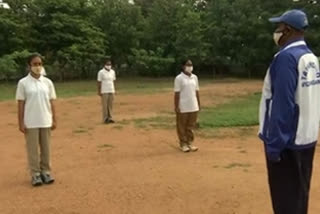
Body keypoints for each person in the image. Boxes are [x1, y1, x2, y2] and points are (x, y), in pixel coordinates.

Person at [259, 9, 320, 214]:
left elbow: (282, 105)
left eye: (279, 27)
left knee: (285, 203)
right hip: (306, 140)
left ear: (288, 30)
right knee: (299, 198)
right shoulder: (310, 58)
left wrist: (274, 146)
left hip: (287, 144)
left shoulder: (285, 58)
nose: (276, 32)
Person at [16, 53, 57, 186]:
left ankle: (46, 171)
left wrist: (54, 118)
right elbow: (21, 103)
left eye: (39, 64)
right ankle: (35, 174)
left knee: (46, 148)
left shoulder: (47, 82)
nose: (38, 67)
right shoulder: (23, 83)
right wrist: (21, 122)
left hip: (45, 119)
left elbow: (52, 101)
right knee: (32, 149)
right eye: (35, 64)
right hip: (31, 121)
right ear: (29, 66)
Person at [174, 59, 200, 152]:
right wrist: (176, 106)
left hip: (193, 105)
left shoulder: (195, 77)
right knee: (182, 125)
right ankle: (183, 143)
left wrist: (198, 104)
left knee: (191, 125)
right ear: (183, 66)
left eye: (191, 65)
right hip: (183, 105)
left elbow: (196, 91)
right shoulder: (179, 78)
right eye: (188, 65)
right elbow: (177, 93)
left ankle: (190, 142)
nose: (190, 67)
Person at [97, 59, 116, 124]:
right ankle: (105, 119)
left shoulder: (112, 72)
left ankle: (110, 118)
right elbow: (99, 82)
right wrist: (99, 91)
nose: (109, 65)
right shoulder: (101, 72)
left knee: (110, 105)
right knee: (105, 105)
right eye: (107, 64)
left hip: (111, 90)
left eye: (110, 64)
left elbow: (113, 81)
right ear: (104, 65)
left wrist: (114, 89)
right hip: (104, 90)